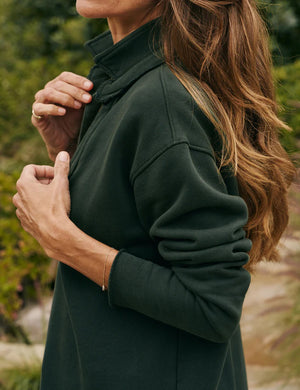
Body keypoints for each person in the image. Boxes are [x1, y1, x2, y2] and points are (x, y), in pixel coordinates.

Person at [13, 0, 296, 389]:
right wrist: (76, 153)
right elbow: (135, 227)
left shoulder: (162, 101)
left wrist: (60, 238)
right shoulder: (126, 85)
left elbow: (213, 305)